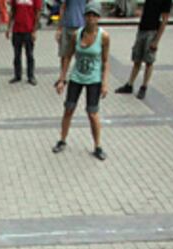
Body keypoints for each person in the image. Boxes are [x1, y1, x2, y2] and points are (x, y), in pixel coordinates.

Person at [52, 3, 109, 161]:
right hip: (77, 76)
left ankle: (97, 146)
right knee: (69, 109)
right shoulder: (77, 34)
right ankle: (62, 140)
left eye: (94, 16)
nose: (91, 18)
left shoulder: (103, 36)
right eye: (88, 15)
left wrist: (104, 83)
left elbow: (105, 61)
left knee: (92, 113)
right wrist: (62, 79)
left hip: (94, 79)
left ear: (98, 18)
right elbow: (68, 56)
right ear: (84, 17)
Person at [114, 0, 171, 100]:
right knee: (137, 59)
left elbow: (165, 19)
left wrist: (156, 40)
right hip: (142, 29)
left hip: (152, 31)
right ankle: (129, 85)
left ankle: (144, 87)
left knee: (149, 61)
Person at [6, 0, 42, 85]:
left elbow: (38, 13)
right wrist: (8, 28)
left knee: (29, 55)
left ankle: (31, 76)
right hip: (17, 30)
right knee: (16, 55)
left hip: (29, 30)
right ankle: (17, 75)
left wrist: (34, 31)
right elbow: (12, 11)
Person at [55, 0, 86, 82]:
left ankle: (81, 75)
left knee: (81, 53)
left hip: (81, 26)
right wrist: (59, 28)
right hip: (67, 25)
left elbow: (90, 7)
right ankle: (63, 76)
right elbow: (62, 7)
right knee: (64, 53)